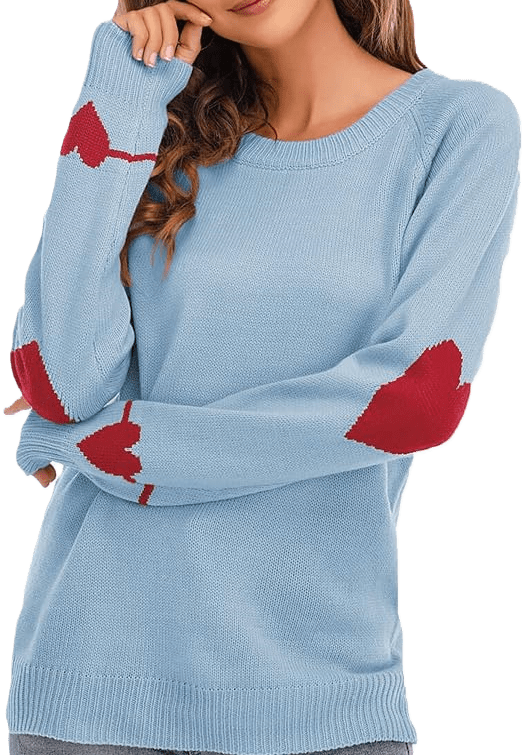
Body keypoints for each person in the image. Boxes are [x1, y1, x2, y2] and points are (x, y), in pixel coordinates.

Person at [4, 0, 521, 754]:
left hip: (320, 695)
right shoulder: (156, 126)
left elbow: (412, 400)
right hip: (89, 681)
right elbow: (60, 384)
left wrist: (113, 447)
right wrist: (120, 88)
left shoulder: (458, 125)